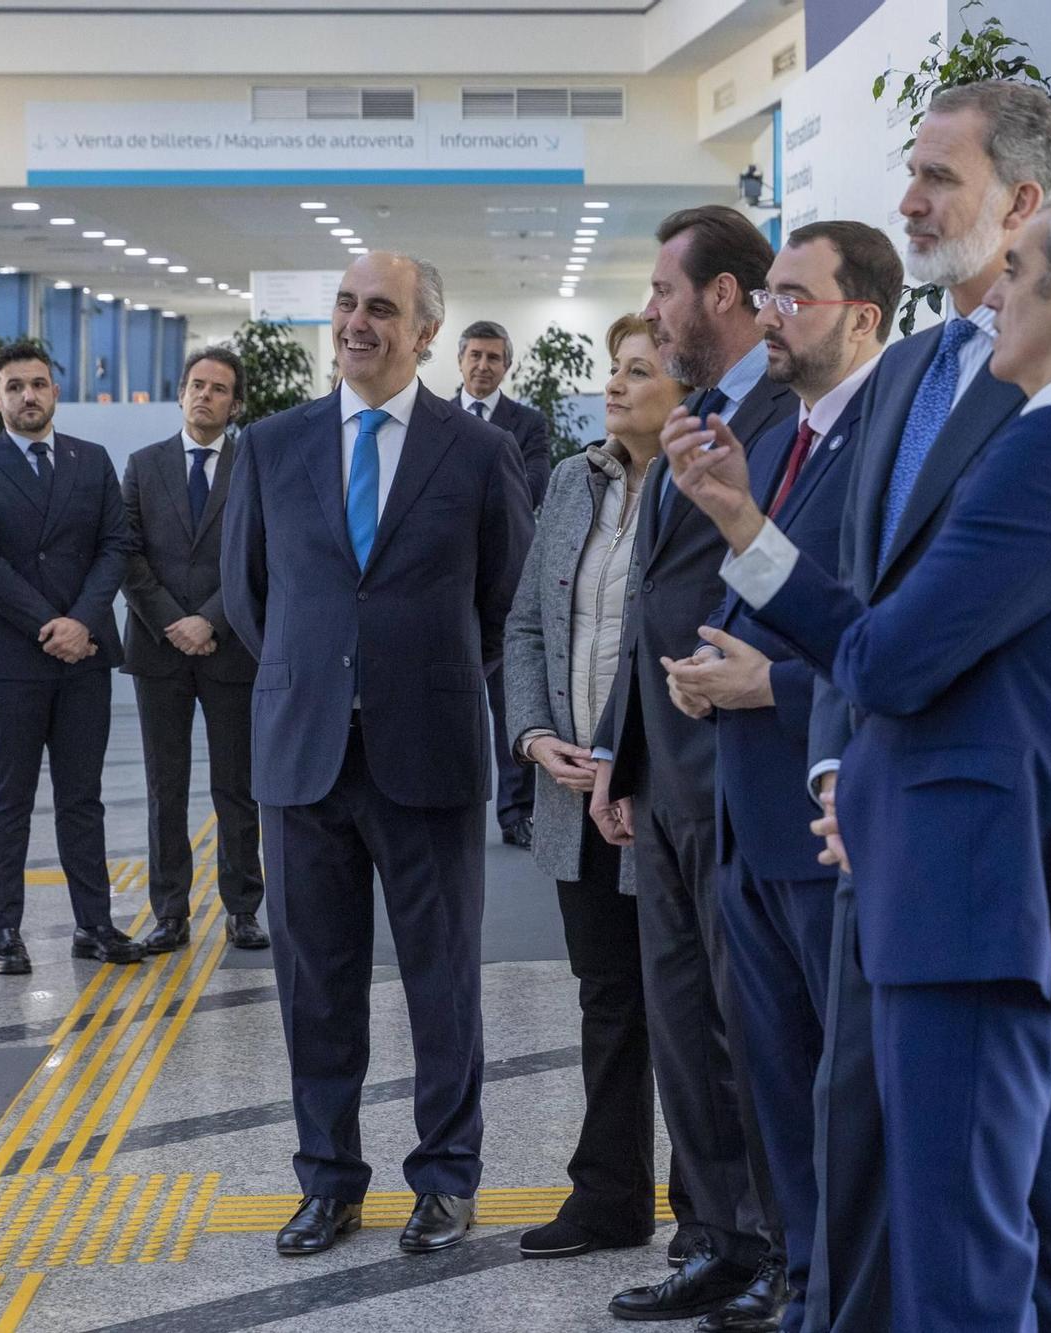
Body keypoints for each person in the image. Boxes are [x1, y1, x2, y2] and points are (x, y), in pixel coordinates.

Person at [664, 192, 1051, 1333]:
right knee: (1048, 1243)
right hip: (1001, 886)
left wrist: (752, 541)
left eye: (1019, 270)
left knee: (958, 1256)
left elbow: (892, 663)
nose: (992, 294)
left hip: (971, 893)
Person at [793, 80, 1051, 1329]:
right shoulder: (906, 368)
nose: (906, 200)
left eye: (936, 178)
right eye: (909, 173)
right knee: (858, 1127)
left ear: (1020, 202)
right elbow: (859, 592)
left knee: (1022, 1191)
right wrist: (833, 773)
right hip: (876, 811)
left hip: (987, 843)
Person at [222, 252, 534, 1258]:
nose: (358, 322)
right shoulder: (271, 446)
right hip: (303, 753)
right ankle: (328, 1180)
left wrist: (412, 674)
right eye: (347, 305)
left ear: (426, 333)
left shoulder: (476, 455)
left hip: (428, 751)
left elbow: (506, 603)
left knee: (440, 980)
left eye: (381, 310)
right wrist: (323, 675)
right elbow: (245, 592)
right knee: (315, 984)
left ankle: (445, 1177)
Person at [658, 220, 900, 1333]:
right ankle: (806, 1283)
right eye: (766, 297)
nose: (768, 316)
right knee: (772, 1084)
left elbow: (890, 639)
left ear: (860, 316)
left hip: (821, 809)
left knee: (842, 1093)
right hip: (746, 812)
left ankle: (846, 1291)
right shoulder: (786, 437)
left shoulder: (886, 450)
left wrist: (774, 691)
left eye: (792, 298)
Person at [589, 205, 796, 1331]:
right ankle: (713, 1236)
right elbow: (647, 607)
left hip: (743, 763)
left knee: (747, 1018)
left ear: (721, 295)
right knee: (680, 1018)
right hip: (666, 774)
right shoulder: (697, 416)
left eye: (665, 288)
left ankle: (774, 1239)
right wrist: (622, 759)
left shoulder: (783, 413)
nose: (654, 308)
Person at [503, 315, 690, 1259]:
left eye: (636, 371)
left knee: (696, 1008)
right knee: (609, 999)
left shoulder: (699, 486)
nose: (612, 387)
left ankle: (711, 1215)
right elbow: (529, 622)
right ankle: (610, 1196)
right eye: (611, 371)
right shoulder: (574, 482)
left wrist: (629, 753)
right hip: (577, 790)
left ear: (684, 386)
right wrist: (536, 735)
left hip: (664, 790)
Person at [0, 340, 142, 975]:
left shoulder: (92, 461)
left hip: (84, 656)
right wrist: (51, 625)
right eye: (15, 386)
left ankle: (94, 925)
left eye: (38, 383)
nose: (28, 395)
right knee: (9, 798)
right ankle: (4, 931)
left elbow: (115, 545)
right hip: (14, 659)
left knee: (82, 798)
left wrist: (82, 622)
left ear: (55, 391)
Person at [120, 346, 267, 955]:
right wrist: (172, 622)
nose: (205, 395)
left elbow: (261, 557)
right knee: (165, 786)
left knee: (237, 785)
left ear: (235, 404)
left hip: (229, 648)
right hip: (158, 650)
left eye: (219, 389)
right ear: (181, 393)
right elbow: (127, 553)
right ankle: (170, 912)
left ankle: (242, 909)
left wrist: (208, 620)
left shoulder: (252, 467)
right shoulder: (144, 464)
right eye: (197, 385)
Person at [458, 318, 552, 850]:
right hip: (445, 580)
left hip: (507, 581)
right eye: (475, 355)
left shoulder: (527, 423)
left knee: (509, 699)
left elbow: (533, 485)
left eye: (494, 358)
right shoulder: (434, 417)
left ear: (506, 366)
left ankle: (517, 811)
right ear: (460, 359)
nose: (483, 366)